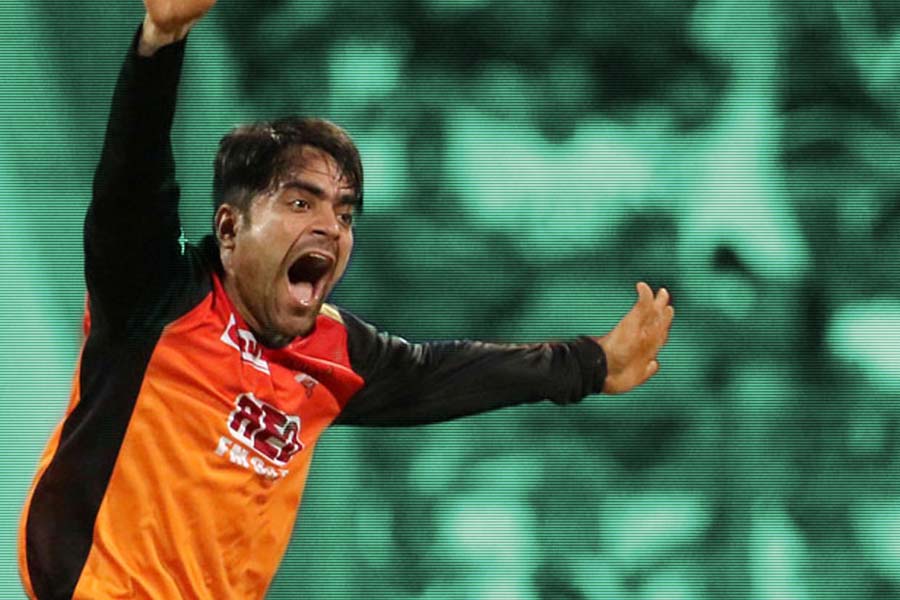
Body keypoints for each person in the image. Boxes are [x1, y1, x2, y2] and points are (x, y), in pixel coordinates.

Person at [18, 1, 674, 598]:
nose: (330, 228)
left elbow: (451, 373)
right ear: (230, 228)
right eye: (301, 203)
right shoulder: (157, 295)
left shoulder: (335, 353)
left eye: (345, 212)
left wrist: (592, 363)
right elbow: (133, 178)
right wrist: (160, 44)